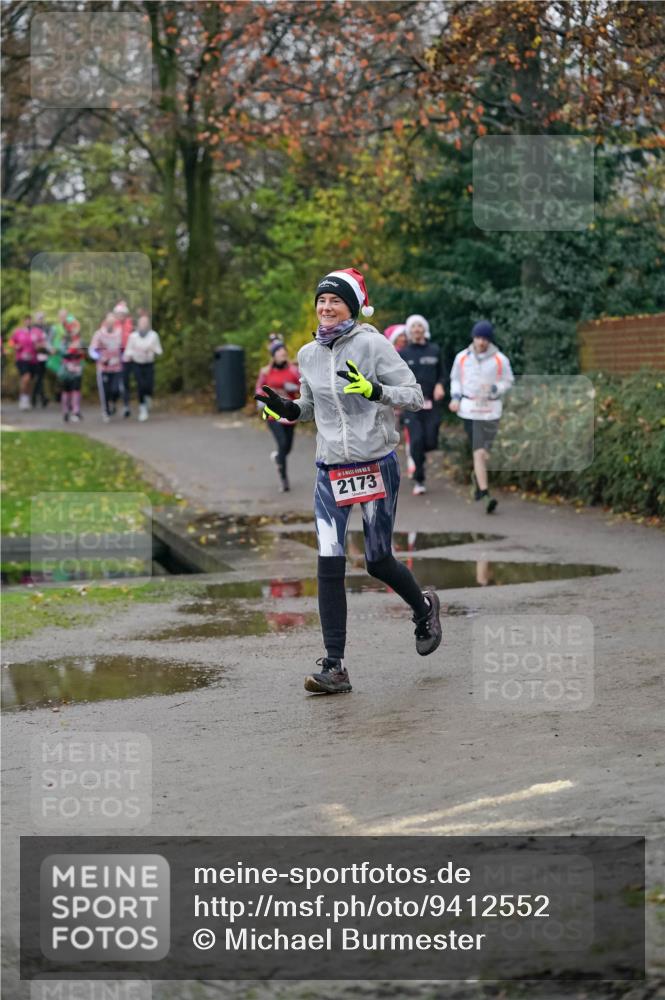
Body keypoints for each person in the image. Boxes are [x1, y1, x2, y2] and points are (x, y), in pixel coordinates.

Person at [255, 267, 443, 696]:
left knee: (377, 560)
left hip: (375, 463)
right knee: (329, 558)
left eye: (335, 301)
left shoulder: (373, 345)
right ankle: (334, 666)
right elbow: (309, 406)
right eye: (321, 301)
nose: (326, 307)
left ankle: (423, 608)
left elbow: (414, 395)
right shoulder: (308, 354)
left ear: (353, 306)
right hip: (331, 469)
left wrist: (376, 391)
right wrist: (287, 409)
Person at [449, 319, 514, 514]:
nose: (481, 342)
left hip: (491, 409)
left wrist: (494, 388)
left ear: (490, 340)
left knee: (485, 453)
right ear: (473, 338)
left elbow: (508, 381)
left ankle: (478, 479)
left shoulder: (500, 359)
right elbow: (455, 379)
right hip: (469, 409)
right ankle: (485, 493)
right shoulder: (462, 357)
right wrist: (455, 398)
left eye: (485, 338)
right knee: (478, 452)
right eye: (478, 337)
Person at [400, 314, 447, 495]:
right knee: (417, 440)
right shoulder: (403, 353)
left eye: (419, 326)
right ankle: (419, 479)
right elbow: (396, 377)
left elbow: (443, 374)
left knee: (431, 440)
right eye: (413, 327)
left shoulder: (434, 350)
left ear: (424, 329)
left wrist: (440, 385)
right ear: (409, 331)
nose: (417, 329)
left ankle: (419, 455)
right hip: (411, 405)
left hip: (431, 403)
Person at [254, 339, 301, 492]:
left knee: (287, 448)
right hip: (273, 414)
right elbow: (259, 389)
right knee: (282, 444)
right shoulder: (265, 372)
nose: (283, 353)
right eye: (279, 351)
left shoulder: (294, 370)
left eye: (284, 351)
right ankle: (284, 480)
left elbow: (303, 387)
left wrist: (294, 388)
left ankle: (277, 458)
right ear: (273, 355)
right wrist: (263, 399)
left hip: (289, 414)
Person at [122, 314, 163, 421]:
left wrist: (152, 349)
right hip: (137, 364)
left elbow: (159, 351)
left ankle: (148, 397)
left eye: (145, 322)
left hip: (149, 364)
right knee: (140, 385)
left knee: (149, 385)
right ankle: (142, 408)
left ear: (148, 324)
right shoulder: (133, 336)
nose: (143, 324)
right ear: (138, 324)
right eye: (141, 322)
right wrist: (133, 353)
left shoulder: (154, 335)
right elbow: (128, 351)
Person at [89, 313, 124, 422]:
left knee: (116, 390)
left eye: (112, 322)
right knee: (105, 391)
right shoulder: (99, 334)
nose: (110, 324)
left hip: (117, 368)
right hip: (103, 368)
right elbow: (92, 350)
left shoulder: (119, 334)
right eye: (109, 322)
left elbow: (123, 348)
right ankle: (106, 411)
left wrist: (122, 357)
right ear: (105, 322)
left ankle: (113, 402)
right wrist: (100, 358)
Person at [57, 319, 85, 422]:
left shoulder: (80, 340)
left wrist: (80, 352)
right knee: (66, 390)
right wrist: (71, 350)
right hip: (66, 368)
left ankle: (75, 410)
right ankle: (65, 411)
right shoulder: (65, 340)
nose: (75, 330)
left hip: (77, 368)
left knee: (76, 389)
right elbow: (63, 352)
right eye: (73, 328)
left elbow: (84, 353)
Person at [9, 316, 38, 410]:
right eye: (26, 320)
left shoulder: (36, 332)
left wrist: (39, 347)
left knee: (30, 381)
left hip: (33, 359)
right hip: (21, 359)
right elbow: (11, 342)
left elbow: (42, 343)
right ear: (24, 321)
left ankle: (27, 398)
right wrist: (16, 346)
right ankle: (22, 399)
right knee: (26, 377)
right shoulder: (18, 332)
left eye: (29, 320)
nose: (28, 322)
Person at [113, 301, 134, 418]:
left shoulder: (130, 325)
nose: (120, 316)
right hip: (114, 357)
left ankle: (126, 406)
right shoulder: (111, 325)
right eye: (118, 314)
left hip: (126, 355)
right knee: (114, 384)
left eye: (122, 314)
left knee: (124, 382)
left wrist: (130, 353)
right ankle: (113, 402)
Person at [31, 312, 50, 408]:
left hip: (44, 356)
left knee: (40, 377)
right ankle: (40, 397)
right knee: (39, 377)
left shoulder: (45, 328)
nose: (41, 320)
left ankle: (36, 397)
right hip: (36, 356)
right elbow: (35, 344)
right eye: (39, 318)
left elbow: (47, 341)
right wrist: (42, 345)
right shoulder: (34, 329)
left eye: (42, 318)